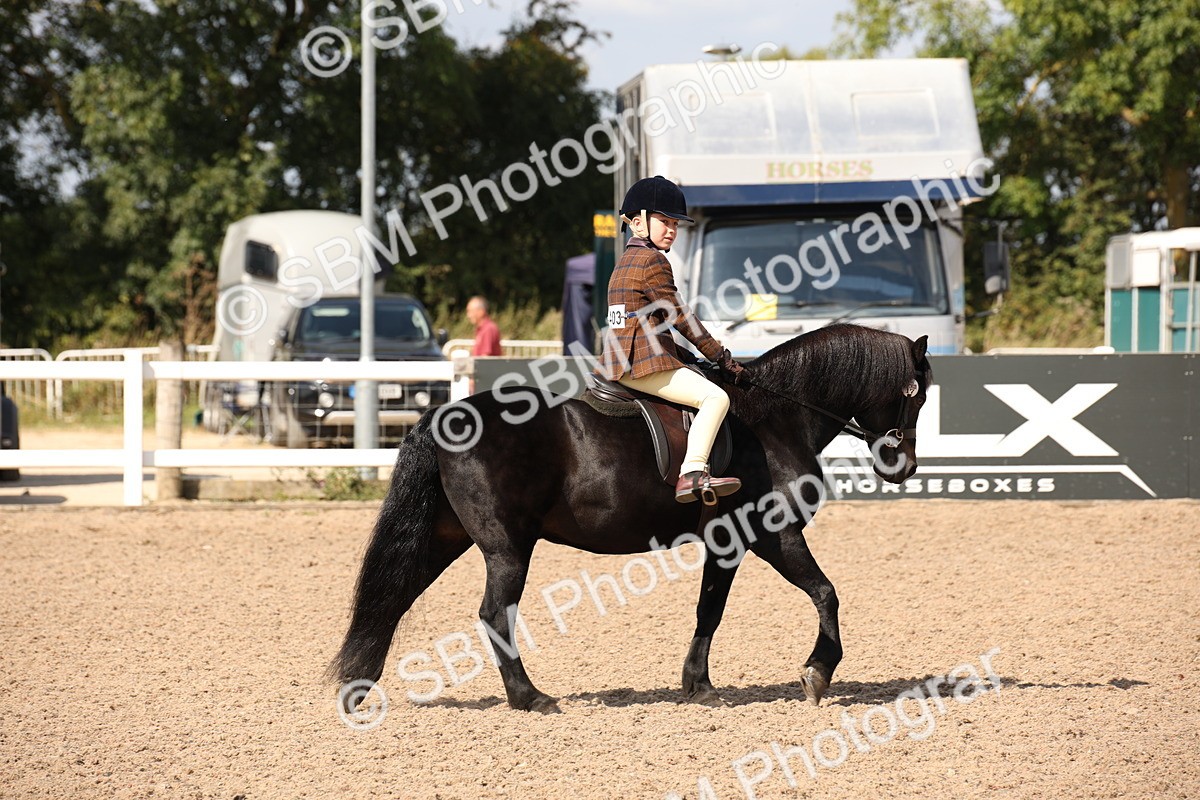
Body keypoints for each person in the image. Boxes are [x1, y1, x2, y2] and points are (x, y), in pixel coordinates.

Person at [596, 175, 748, 504]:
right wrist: (721, 357)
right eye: (664, 221)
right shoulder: (653, 261)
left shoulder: (624, 262)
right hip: (641, 364)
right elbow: (681, 317)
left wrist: (687, 357)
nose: (671, 231)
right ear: (637, 222)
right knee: (715, 398)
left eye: (675, 224)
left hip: (618, 360)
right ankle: (692, 472)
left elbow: (643, 324)